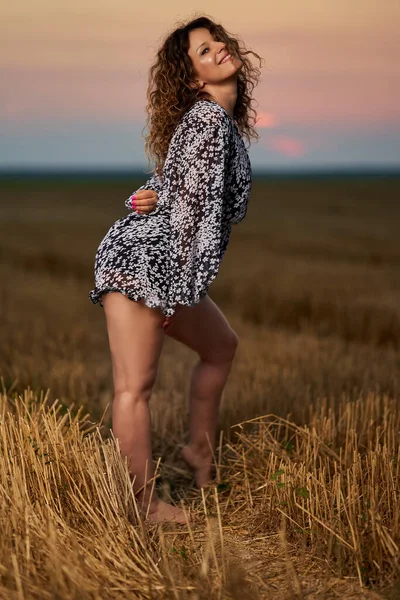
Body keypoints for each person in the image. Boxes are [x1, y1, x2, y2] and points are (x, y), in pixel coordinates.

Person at [89, 15, 262, 523]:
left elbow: (174, 188)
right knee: (134, 388)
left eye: (218, 43)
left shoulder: (213, 123)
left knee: (220, 347)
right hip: (144, 265)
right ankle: (143, 507)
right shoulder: (208, 121)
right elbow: (193, 218)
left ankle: (199, 452)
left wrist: (150, 195)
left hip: (162, 262)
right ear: (192, 78)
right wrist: (180, 288)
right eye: (203, 52)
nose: (220, 52)